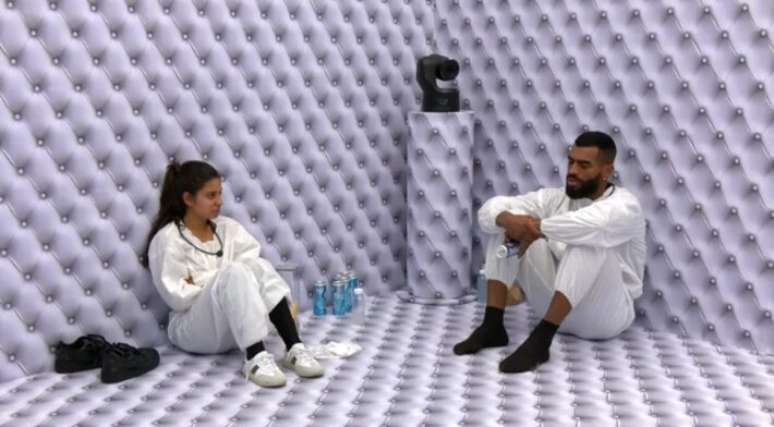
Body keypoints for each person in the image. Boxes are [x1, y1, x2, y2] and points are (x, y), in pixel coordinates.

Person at [454, 131, 646, 373]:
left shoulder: (626, 206)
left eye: (583, 165)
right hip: (556, 309)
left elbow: (592, 224)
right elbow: (489, 210)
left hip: (606, 316)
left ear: (606, 170)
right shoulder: (555, 198)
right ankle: (492, 325)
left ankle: (541, 341)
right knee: (508, 224)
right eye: (571, 162)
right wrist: (507, 219)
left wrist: (535, 228)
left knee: (588, 239)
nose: (572, 171)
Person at [142, 160, 324, 388]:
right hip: (192, 329)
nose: (219, 201)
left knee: (258, 266)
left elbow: (251, 269)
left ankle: (294, 347)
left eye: (220, 193)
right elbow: (178, 297)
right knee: (235, 271)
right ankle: (255, 358)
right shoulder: (168, 239)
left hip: (235, 326)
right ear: (188, 199)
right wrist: (221, 282)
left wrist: (205, 280)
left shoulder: (228, 228)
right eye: (211, 195)